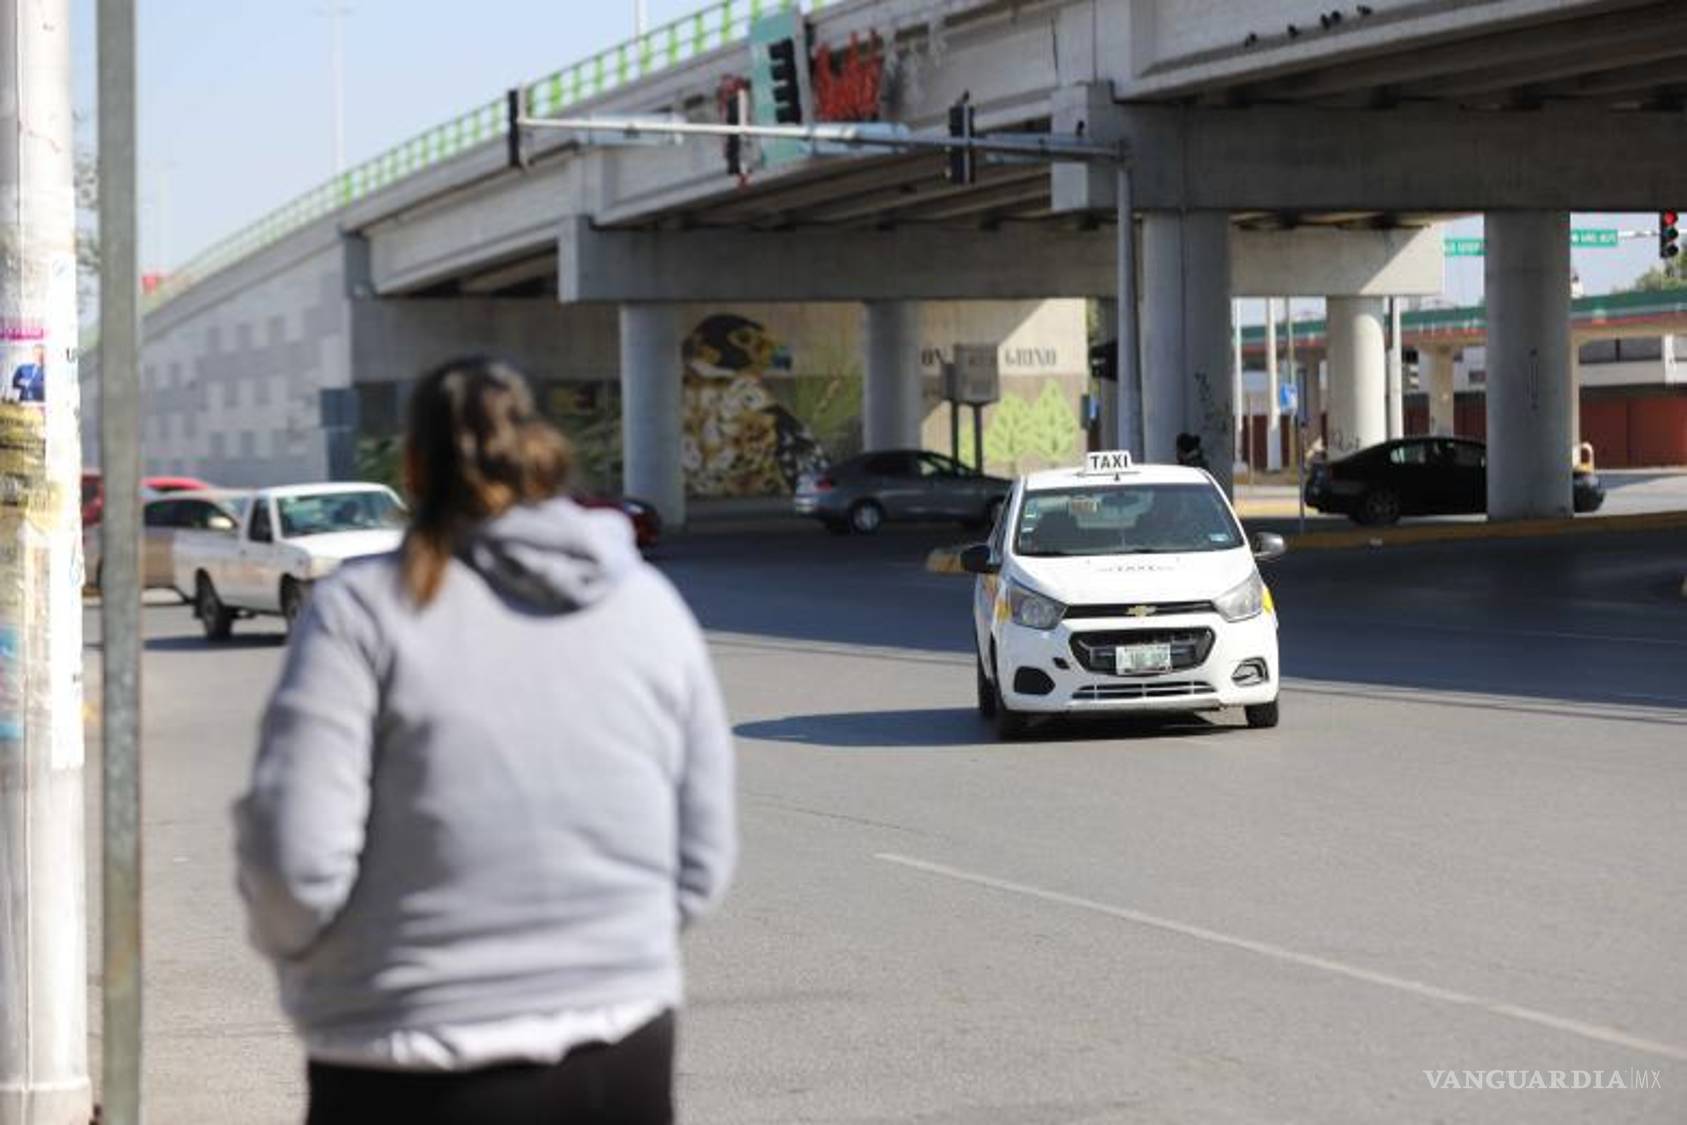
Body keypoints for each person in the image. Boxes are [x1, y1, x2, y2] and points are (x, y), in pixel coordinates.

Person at [234, 356, 736, 1125]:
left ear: (413, 467)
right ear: (537, 448)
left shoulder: (361, 611)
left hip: (405, 1059)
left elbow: (291, 864)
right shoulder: (647, 604)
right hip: (620, 1056)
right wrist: (609, 956)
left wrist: (332, 972)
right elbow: (702, 856)